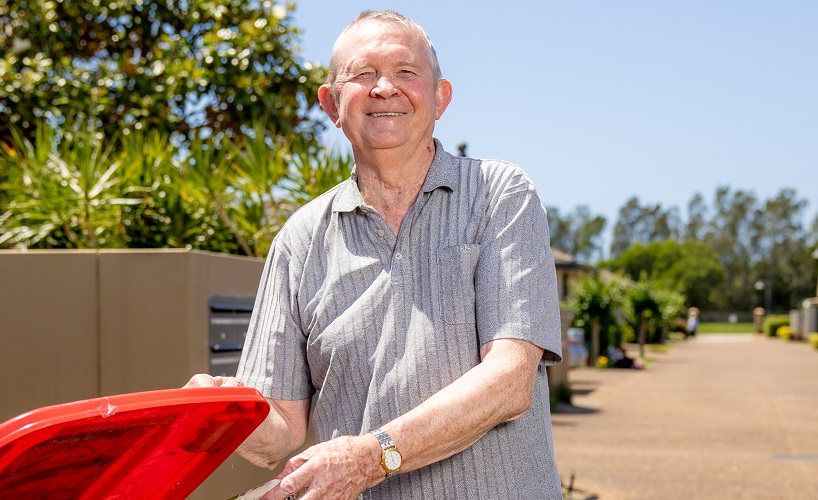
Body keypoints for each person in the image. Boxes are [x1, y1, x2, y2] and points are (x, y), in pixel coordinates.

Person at [185, 10, 562, 499]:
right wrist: (224, 415)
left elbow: (510, 382)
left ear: (441, 97)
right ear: (332, 103)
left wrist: (373, 456)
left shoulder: (498, 194)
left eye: (407, 72)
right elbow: (279, 430)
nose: (385, 88)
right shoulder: (299, 241)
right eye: (362, 74)